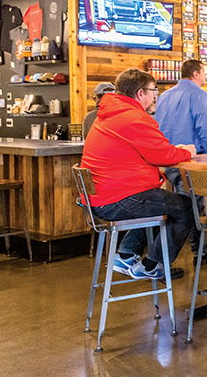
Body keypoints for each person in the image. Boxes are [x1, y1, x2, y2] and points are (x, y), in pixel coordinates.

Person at [81, 68, 197, 280]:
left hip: (100, 199)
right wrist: (187, 151)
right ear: (140, 93)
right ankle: (151, 265)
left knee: (156, 202)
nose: (155, 96)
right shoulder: (134, 117)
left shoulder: (107, 115)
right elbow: (164, 155)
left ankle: (125, 255)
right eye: (154, 90)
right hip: (117, 199)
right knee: (188, 208)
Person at [154, 59, 207, 262]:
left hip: (167, 160)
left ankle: (195, 251)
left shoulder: (164, 96)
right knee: (193, 207)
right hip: (192, 160)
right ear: (196, 73)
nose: (205, 76)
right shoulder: (199, 95)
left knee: (183, 206)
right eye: (204, 72)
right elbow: (206, 130)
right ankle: (165, 258)